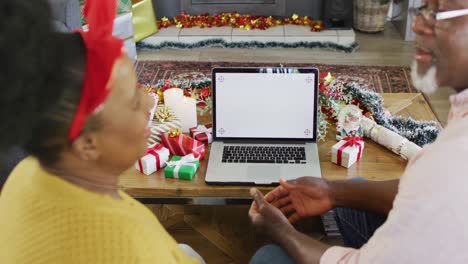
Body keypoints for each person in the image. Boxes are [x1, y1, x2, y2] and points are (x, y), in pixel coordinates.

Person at [249, 0, 468, 263]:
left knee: (268, 257)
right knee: (353, 187)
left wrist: (281, 231)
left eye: (439, 13)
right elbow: (419, 187)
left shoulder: (454, 161)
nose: (419, 24)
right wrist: (331, 191)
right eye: (422, 10)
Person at [0, 0, 204, 263]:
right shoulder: (128, 243)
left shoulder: (24, 172)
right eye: (132, 100)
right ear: (87, 144)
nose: (150, 102)